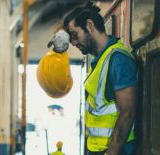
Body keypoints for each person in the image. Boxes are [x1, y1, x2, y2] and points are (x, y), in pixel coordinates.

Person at [49, 2, 137, 155]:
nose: (74, 43)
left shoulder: (118, 60)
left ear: (89, 25)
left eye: (75, 35)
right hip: (96, 150)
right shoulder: (98, 62)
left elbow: (127, 112)